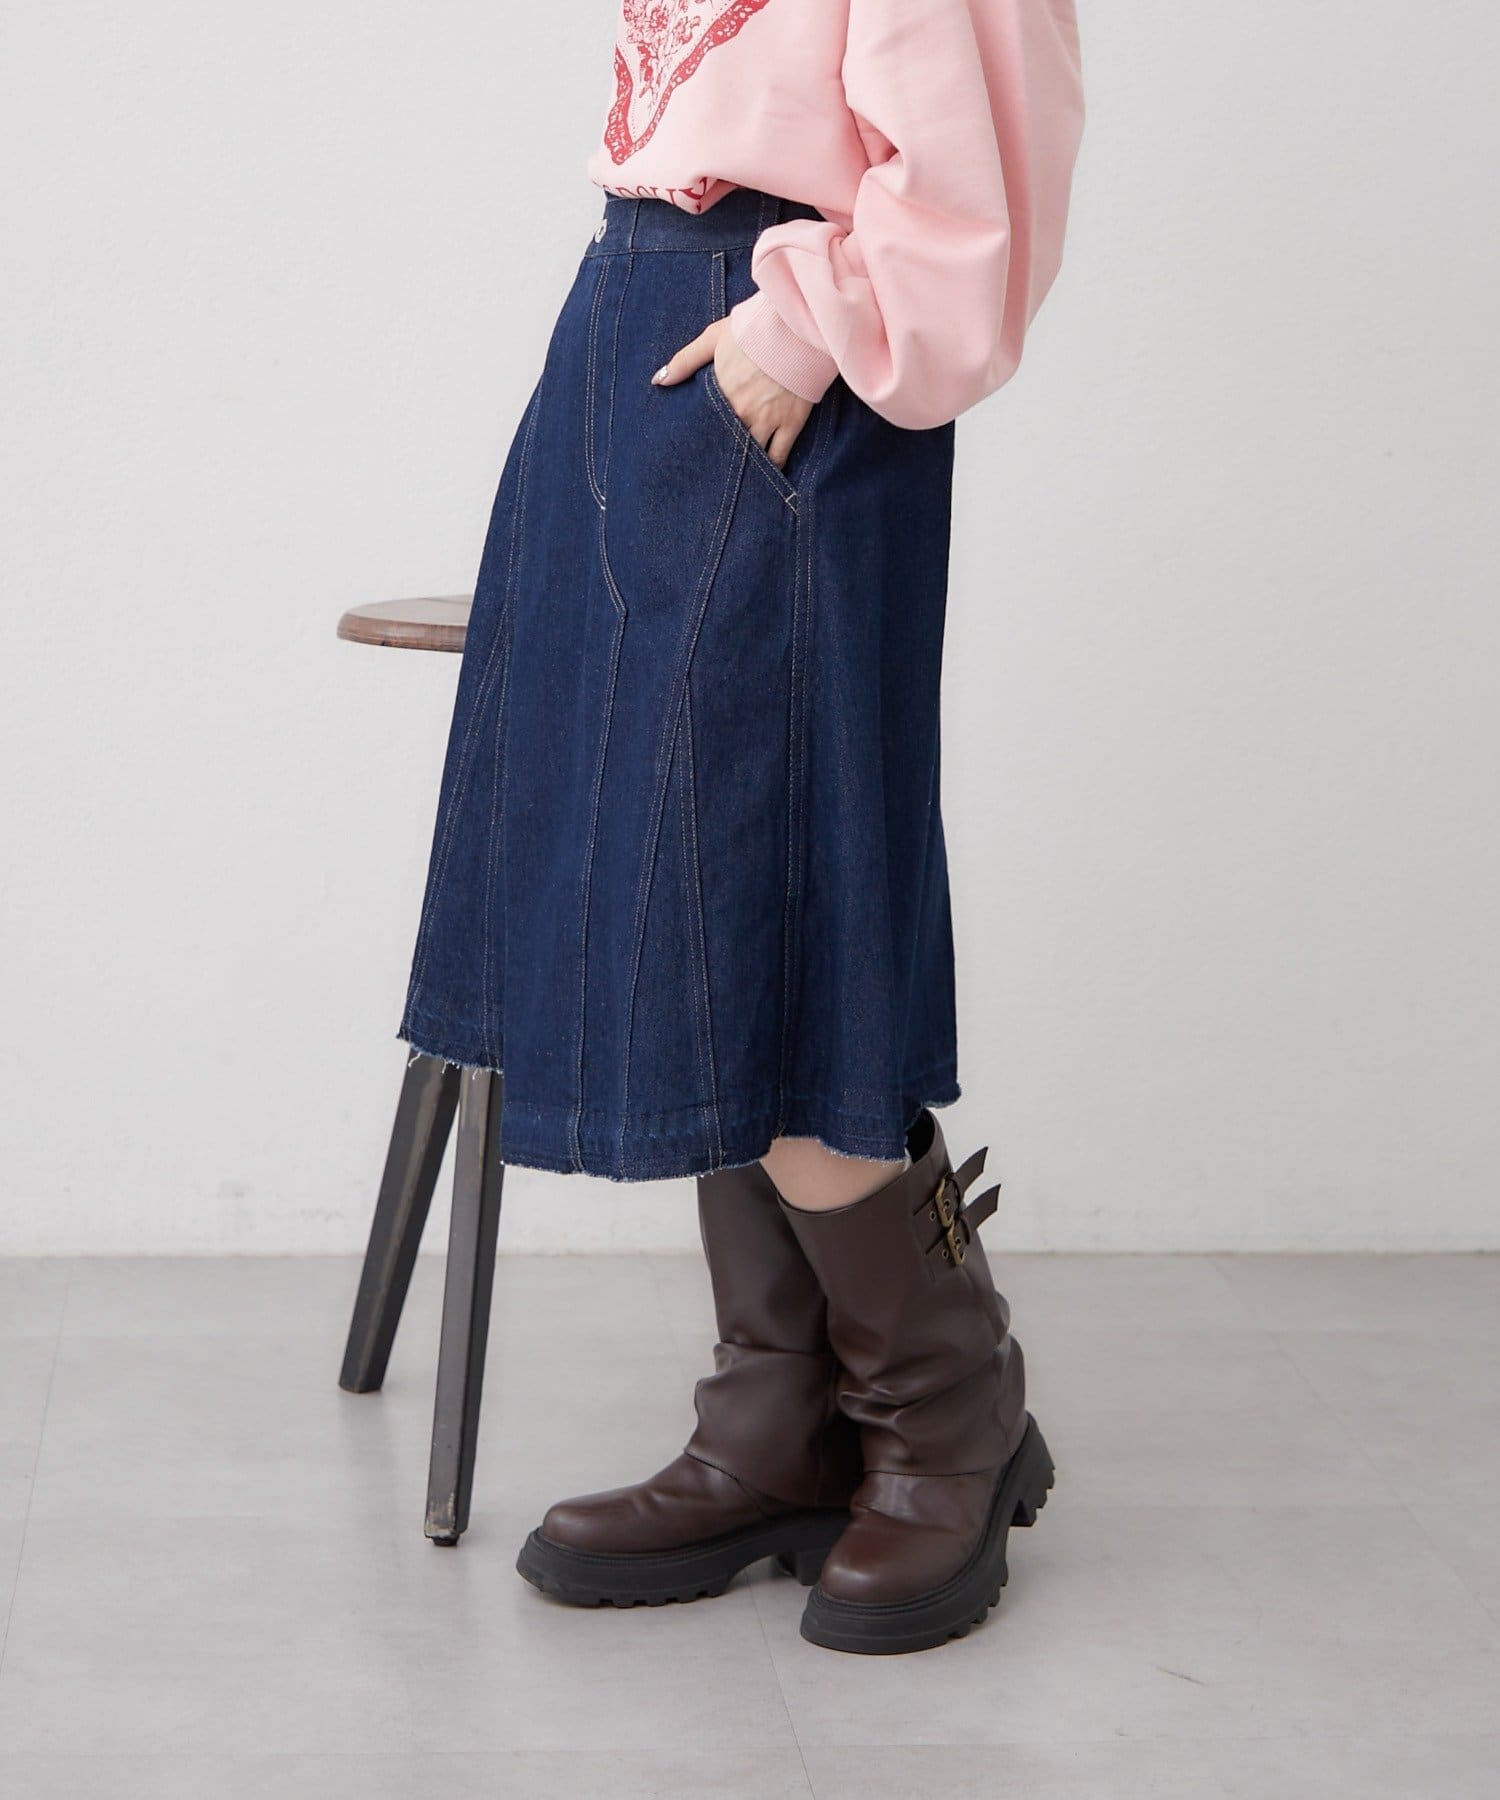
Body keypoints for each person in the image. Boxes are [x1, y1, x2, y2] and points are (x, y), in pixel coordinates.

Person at [400, 0, 1085, 1655]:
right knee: (692, 911)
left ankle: (948, 1411)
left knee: (768, 899)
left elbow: (988, 155)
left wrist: (813, 323)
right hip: (635, 315)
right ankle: (781, 1416)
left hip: (787, 346)